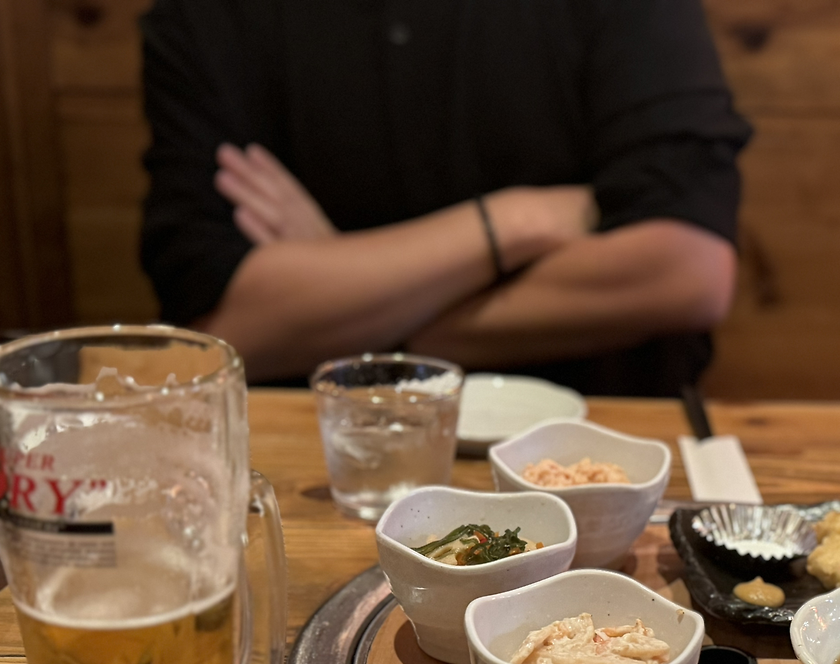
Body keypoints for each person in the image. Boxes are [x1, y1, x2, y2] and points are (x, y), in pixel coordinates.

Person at [139, 0, 752, 395]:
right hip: (330, 458)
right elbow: (221, 332)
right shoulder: (208, 18)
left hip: (603, 453)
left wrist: (358, 306)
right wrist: (514, 221)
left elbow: (687, 270)